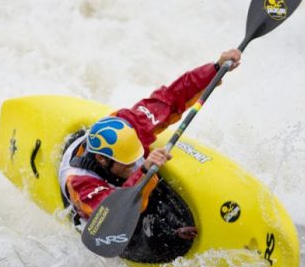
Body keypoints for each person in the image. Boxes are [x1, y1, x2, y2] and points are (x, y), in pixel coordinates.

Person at [58, 49, 242, 243]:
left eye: (135, 156)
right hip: (102, 215)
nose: (134, 164)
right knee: (144, 226)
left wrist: (215, 69)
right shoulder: (80, 182)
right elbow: (112, 217)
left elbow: (170, 98)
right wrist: (143, 171)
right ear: (102, 160)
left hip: (122, 181)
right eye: (127, 163)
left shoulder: (131, 125)